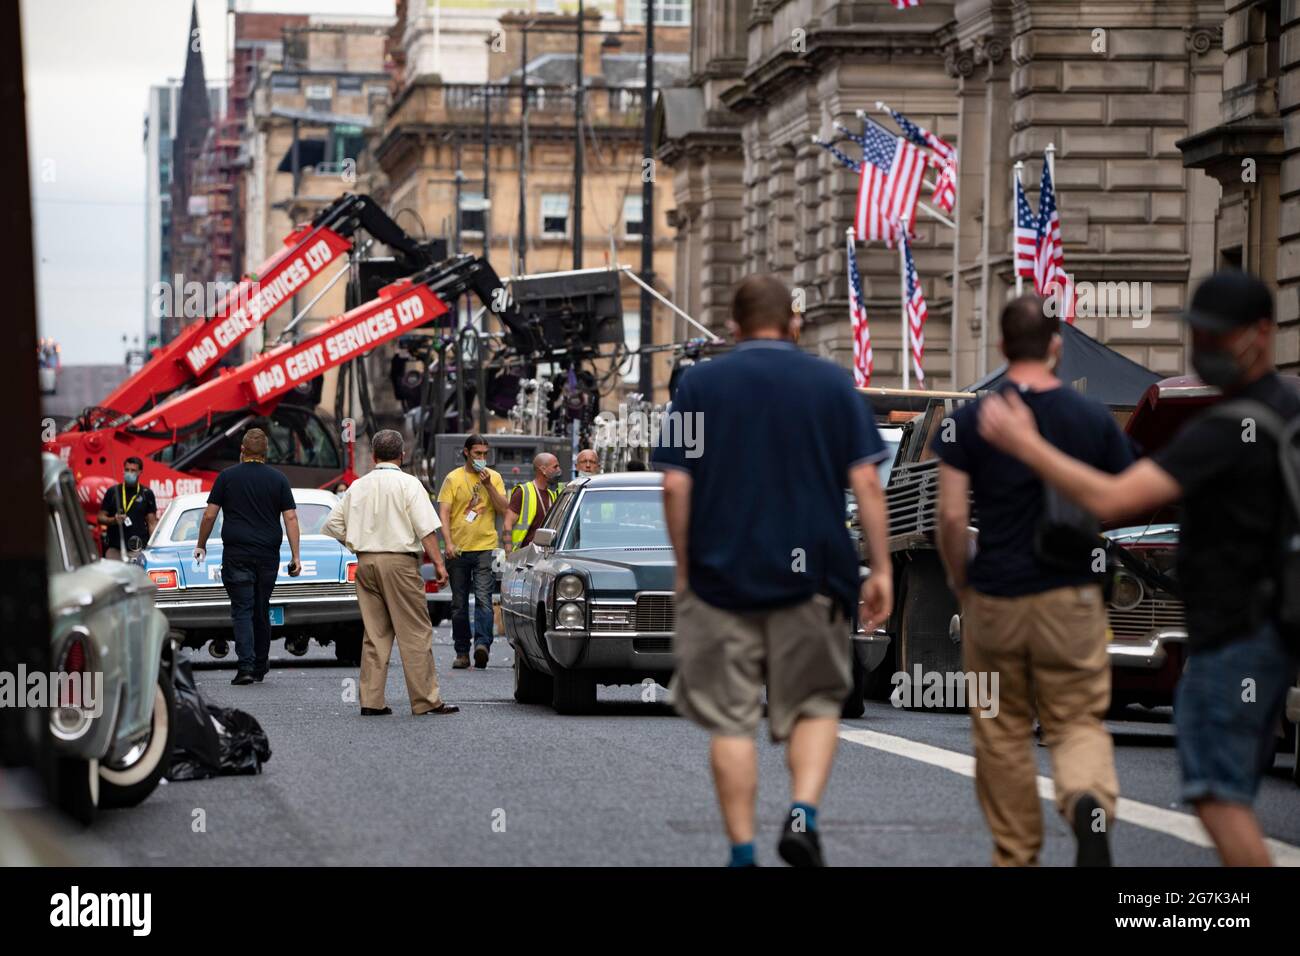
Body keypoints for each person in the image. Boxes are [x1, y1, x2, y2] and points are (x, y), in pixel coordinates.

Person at [978, 271, 1300, 867]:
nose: (1203, 347)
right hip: (1279, 629)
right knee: (1236, 784)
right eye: (1198, 333)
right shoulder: (1291, 411)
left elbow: (1112, 500)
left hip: (1232, 634)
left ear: (1260, 333)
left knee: (1218, 794)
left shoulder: (1225, 430)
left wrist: (1028, 446)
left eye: (1215, 335)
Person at [654, 274, 893, 868]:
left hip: (721, 579)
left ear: (732, 326)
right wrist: (881, 566)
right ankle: (803, 815)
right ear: (796, 323)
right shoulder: (833, 385)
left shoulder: (700, 385)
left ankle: (741, 852)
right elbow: (866, 480)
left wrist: (686, 566)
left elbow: (675, 483)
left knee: (732, 722)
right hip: (814, 578)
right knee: (815, 705)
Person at [931, 295, 1132, 867]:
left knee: (1001, 733)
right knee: (1075, 722)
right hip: (1070, 594)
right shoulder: (1091, 419)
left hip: (994, 593)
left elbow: (949, 518)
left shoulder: (969, 420)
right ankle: (1087, 800)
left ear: (1000, 346)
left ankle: (1017, 854)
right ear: (1055, 347)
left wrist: (961, 580)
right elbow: (1122, 500)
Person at [323, 430, 458, 717]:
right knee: (415, 632)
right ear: (402, 455)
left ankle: (371, 701)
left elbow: (333, 524)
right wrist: (439, 564)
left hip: (366, 562)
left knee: (375, 634)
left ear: (373, 456)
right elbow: (425, 529)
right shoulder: (408, 484)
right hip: (399, 563)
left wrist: (357, 542)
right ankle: (426, 700)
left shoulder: (358, 486)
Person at [194, 429, 302, 685]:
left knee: (242, 608)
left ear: (242, 450)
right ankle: (260, 664)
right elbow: (291, 517)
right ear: (266, 453)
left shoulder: (227, 477)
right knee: (261, 607)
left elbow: (209, 515)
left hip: (237, 553)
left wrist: (201, 544)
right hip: (267, 555)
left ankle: (245, 668)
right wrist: (296, 556)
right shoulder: (278, 480)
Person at [437, 434, 508, 669]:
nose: (482, 458)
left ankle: (482, 646)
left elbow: (503, 509)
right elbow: (444, 513)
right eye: (478, 454)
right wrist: (447, 543)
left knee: (484, 599)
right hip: (458, 549)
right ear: (466, 452)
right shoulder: (453, 478)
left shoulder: (494, 478)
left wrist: (488, 485)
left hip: (484, 547)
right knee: (458, 604)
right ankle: (461, 652)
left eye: (485, 455)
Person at [98, 456, 158, 560]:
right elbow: (100, 517)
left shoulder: (147, 493)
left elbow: (151, 523)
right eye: (127, 470)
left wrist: (153, 547)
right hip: (114, 549)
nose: (129, 473)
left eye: (133, 470)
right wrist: (113, 520)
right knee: (112, 576)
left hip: (138, 550)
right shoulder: (113, 492)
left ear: (140, 472)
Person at [503, 453, 561, 554]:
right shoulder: (523, 492)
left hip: (544, 556)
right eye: (555, 467)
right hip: (522, 557)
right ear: (543, 469)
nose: (559, 470)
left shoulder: (552, 495)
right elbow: (507, 523)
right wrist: (508, 554)